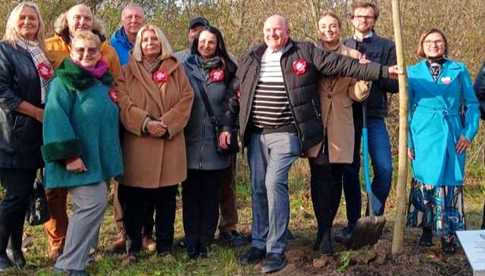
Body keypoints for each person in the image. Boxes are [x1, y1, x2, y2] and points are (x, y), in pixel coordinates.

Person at [236, 14, 398, 274]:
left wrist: (380, 71)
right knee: (257, 186)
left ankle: (275, 249)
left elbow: (343, 64)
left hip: (288, 131)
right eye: (268, 29)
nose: (272, 34)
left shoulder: (304, 51)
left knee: (273, 183)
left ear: (288, 32)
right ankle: (259, 241)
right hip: (256, 133)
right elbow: (237, 86)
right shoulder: (253, 55)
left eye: (277, 29)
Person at [43, 3, 122, 261]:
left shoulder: (101, 80)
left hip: (96, 157)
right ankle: (69, 263)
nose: (87, 54)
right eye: (81, 50)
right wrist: (69, 156)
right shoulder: (63, 81)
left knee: (95, 205)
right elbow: (55, 119)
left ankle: (83, 256)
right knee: (91, 205)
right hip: (78, 158)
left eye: (92, 50)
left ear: (100, 54)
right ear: (72, 54)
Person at [116, 24, 193, 262]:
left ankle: (165, 247)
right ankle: (133, 248)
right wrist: (146, 123)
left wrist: (166, 123)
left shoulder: (176, 68)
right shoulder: (127, 70)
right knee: (134, 201)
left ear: (162, 42)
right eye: (145, 39)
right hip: (138, 142)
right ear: (138, 44)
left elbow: (186, 99)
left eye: (154, 39)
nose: (150, 43)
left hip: (168, 144)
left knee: (166, 200)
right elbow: (123, 101)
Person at [406, 29, 479, 255]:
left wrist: (468, 133)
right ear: (422, 45)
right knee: (426, 179)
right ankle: (427, 227)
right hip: (422, 133)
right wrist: (408, 141)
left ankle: (449, 233)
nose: (433, 45)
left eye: (438, 41)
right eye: (429, 41)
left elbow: (473, 104)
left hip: (452, 133)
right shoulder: (411, 72)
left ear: (444, 45)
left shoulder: (459, 69)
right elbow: (406, 110)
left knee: (449, 180)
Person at [307, 11, 369, 256]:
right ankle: (323, 231)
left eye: (333, 26)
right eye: (324, 26)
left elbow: (355, 94)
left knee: (335, 179)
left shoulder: (352, 56)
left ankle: (326, 231)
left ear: (340, 29)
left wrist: (365, 79)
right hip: (315, 120)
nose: (328, 30)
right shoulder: (310, 54)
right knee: (319, 176)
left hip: (342, 122)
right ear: (318, 29)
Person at [338, 0, 398, 242]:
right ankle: (353, 222)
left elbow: (393, 85)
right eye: (359, 16)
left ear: (374, 20)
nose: (363, 20)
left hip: (374, 115)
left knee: (384, 169)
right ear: (352, 19)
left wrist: (372, 71)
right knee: (350, 170)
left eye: (368, 17)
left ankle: (373, 213)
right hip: (347, 115)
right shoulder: (342, 45)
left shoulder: (387, 46)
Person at [0, 2, 50, 271]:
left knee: (23, 195)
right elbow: (3, 93)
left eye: (33, 18)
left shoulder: (38, 52)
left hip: (34, 137)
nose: (28, 23)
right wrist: (36, 113)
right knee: (15, 195)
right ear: (13, 22)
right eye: (23, 18)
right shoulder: (5, 50)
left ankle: (15, 249)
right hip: (12, 135)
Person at [182, 26, 238, 258]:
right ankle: (190, 238)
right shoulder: (184, 68)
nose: (206, 46)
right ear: (196, 43)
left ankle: (205, 240)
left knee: (211, 193)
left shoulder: (228, 69)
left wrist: (226, 128)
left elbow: (232, 102)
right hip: (189, 141)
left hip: (216, 140)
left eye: (211, 42)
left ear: (218, 45)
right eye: (202, 42)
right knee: (190, 193)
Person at [109, 3, 156, 253]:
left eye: (138, 16)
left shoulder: (152, 42)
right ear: (122, 19)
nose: (134, 20)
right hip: (118, 116)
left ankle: (147, 231)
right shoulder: (110, 47)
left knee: (146, 174)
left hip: (147, 119)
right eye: (129, 16)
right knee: (123, 176)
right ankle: (123, 230)